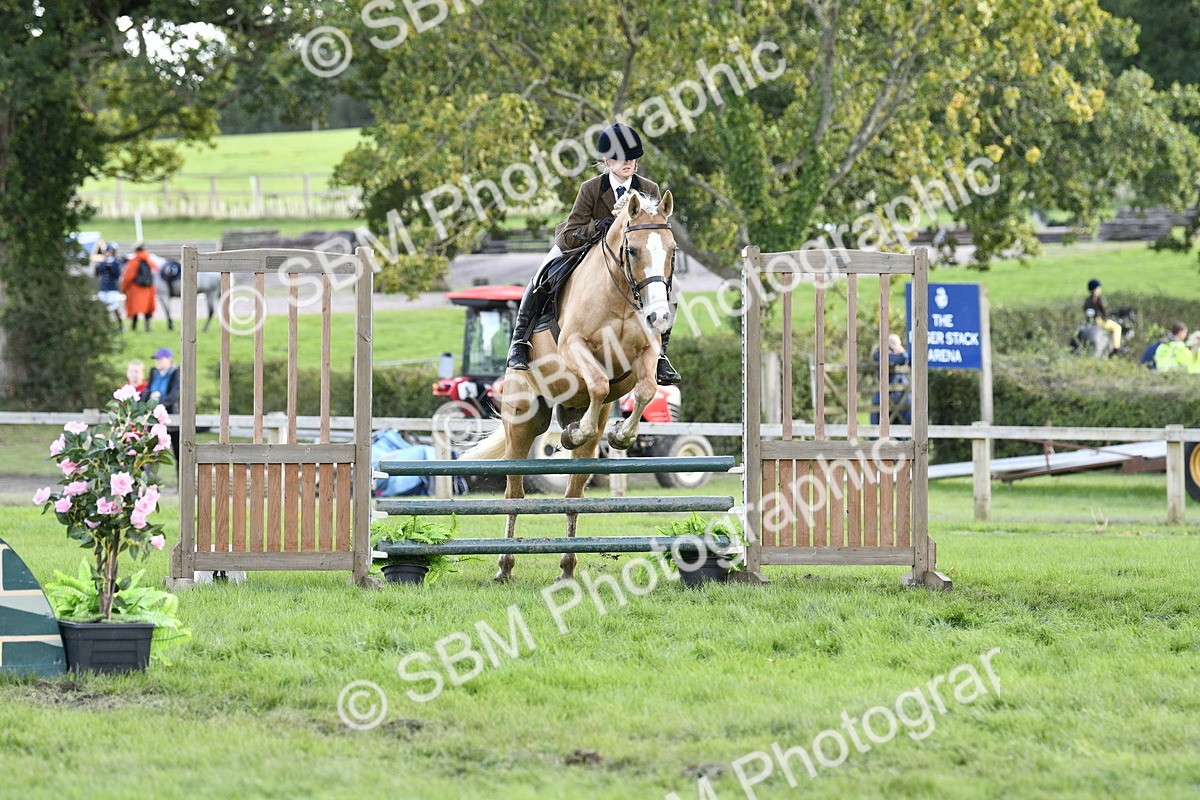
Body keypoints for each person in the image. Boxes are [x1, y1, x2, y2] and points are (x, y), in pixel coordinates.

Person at [505, 123, 681, 385]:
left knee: (674, 286)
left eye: (633, 158)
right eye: (622, 159)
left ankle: (661, 354)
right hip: (585, 247)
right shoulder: (592, 189)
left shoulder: (649, 188)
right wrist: (599, 227)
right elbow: (570, 232)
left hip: (631, 256)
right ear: (607, 160)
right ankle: (519, 342)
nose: (629, 164)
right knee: (542, 273)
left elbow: (654, 229)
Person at [142, 348, 180, 468]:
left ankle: (183, 484)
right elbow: (148, 390)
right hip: (155, 419)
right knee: (151, 455)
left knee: (180, 455)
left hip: (172, 418)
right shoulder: (154, 373)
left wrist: (158, 403)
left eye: (161, 359)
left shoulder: (176, 373)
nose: (158, 362)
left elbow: (174, 395)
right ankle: (151, 484)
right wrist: (148, 400)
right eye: (156, 359)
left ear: (169, 359)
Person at [870, 333, 911, 425]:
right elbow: (902, 358)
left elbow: (906, 359)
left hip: (898, 397)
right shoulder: (881, 355)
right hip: (884, 396)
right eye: (898, 345)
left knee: (901, 422)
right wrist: (901, 352)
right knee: (878, 423)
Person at [121, 244, 157, 331]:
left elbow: (128, 277)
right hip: (148, 289)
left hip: (136, 289)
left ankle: (134, 327)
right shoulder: (149, 261)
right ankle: (148, 328)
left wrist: (124, 288)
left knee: (134, 309)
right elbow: (156, 270)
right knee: (147, 309)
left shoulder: (134, 262)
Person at [1083, 279, 1122, 353]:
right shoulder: (1099, 299)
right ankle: (1116, 348)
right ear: (1095, 289)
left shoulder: (1087, 300)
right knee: (1117, 327)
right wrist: (1106, 317)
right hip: (1099, 320)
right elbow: (1104, 311)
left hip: (1089, 321)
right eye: (1099, 288)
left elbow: (1085, 311)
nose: (1100, 289)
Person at [95, 244, 125, 329]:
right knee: (103, 308)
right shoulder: (103, 263)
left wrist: (110, 268)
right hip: (103, 287)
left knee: (114, 308)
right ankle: (105, 326)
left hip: (112, 288)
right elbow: (98, 273)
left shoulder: (116, 263)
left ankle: (120, 326)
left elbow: (117, 275)